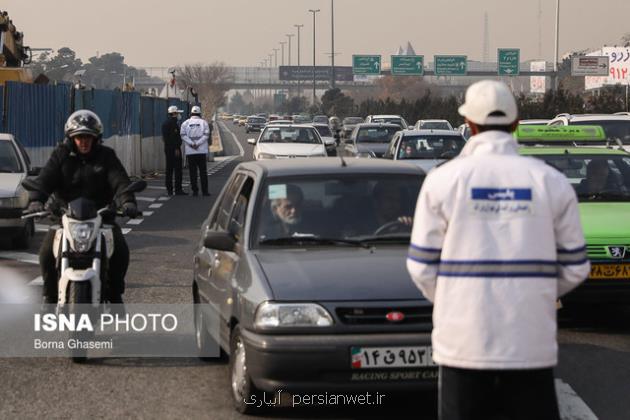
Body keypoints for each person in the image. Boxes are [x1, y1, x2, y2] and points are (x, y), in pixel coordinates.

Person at [406, 80, 590, 420]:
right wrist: (533, 291)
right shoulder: (550, 181)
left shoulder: (443, 180)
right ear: (516, 124)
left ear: (469, 126)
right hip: (530, 343)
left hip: (462, 343)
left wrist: (458, 296)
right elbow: (576, 267)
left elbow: (420, 266)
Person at [26, 110, 139, 304]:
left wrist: (127, 201)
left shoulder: (106, 156)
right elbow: (46, 179)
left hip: (102, 216)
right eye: (79, 137)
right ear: (71, 138)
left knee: (121, 250)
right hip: (64, 217)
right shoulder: (61, 155)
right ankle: (50, 295)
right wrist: (36, 199)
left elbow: (119, 181)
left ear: (96, 138)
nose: (84, 142)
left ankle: (115, 294)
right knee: (45, 253)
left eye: (88, 137)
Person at [180, 105, 210, 196]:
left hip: (190, 151)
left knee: (192, 172)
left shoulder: (185, 123)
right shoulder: (204, 123)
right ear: (199, 113)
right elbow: (206, 135)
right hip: (201, 151)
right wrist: (198, 143)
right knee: (203, 172)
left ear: (191, 113)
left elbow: (182, 135)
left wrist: (191, 143)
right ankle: (205, 191)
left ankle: (195, 191)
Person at [161, 105, 186, 196]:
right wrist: (176, 148)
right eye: (178, 113)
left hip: (168, 149)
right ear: (174, 113)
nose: (179, 115)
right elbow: (172, 138)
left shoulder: (165, 123)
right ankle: (178, 189)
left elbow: (165, 138)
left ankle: (169, 190)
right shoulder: (172, 124)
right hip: (174, 149)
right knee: (177, 169)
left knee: (169, 169)